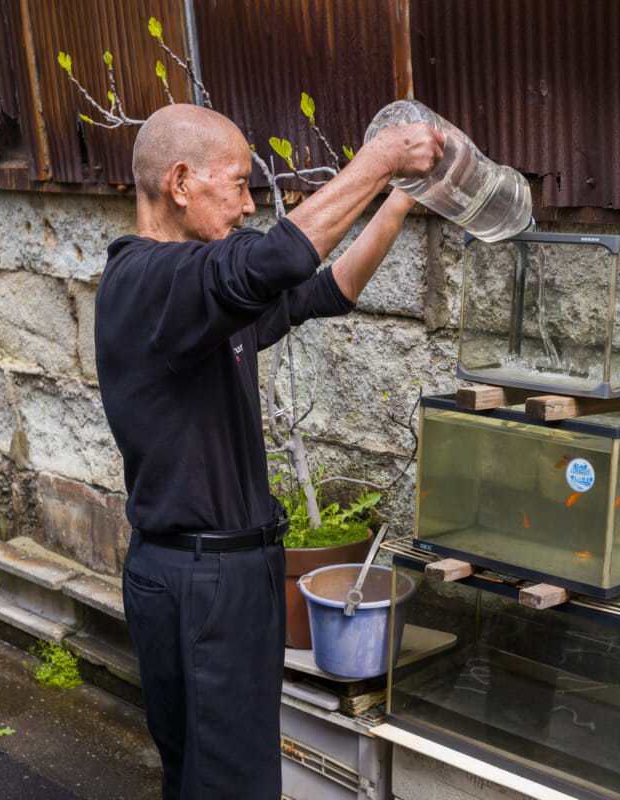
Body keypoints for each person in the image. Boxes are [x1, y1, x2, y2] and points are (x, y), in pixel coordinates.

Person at [93, 102, 443, 800]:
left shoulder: (193, 299)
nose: (250, 203)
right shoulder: (151, 281)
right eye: (238, 183)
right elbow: (279, 255)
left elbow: (325, 289)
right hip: (204, 582)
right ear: (182, 182)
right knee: (233, 787)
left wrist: (399, 202)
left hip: (218, 576)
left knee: (206, 779)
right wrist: (381, 159)